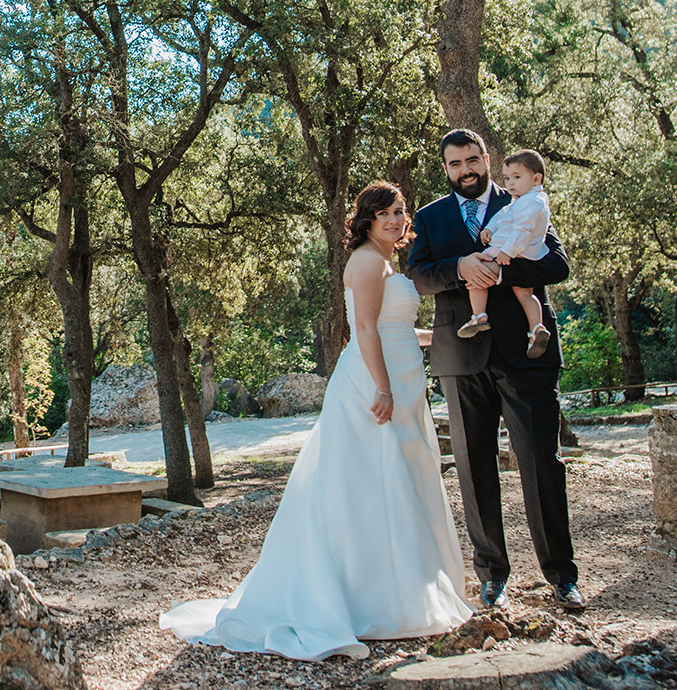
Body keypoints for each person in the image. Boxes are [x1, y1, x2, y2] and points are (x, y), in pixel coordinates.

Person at [161, 182, 471, 661]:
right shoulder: (367, 261)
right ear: (366, 220)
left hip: (403, 380)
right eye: (384, 213)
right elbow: (365, 328)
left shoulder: (389, 262)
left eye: (399, 212)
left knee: (398, 481)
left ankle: (396, 591)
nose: (394, 220)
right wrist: (383, 387)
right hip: (373, 383)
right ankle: (364, 599)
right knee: (369, 484)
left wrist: (448, 335)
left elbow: (396, 327)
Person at [406, 129, 582, 612]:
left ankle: (561, 576)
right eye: (455, 163)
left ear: (487, 159)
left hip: (526, 356)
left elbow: (558, 266)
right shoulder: (428, 217)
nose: (465, 169)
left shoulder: (524, 199)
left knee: (541, 464)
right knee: (473, 468)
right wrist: (461, 267)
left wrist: (501, 272)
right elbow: (419, 276)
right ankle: (492, 576)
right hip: (460, 361)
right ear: (445, 168)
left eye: (472, 160)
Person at [460, 149, 553, 359]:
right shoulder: (526, 200)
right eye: (507, 178)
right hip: (526, 256)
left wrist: (506, 253)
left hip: (508, 251)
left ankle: (478, 316)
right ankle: (537, 328)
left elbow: (522, 231)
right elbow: (503, 215)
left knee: (476, 278)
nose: (510, 183)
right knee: (526, 294)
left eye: (517, 177)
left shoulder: (530, 203)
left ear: (536, 178)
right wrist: (490, 229)